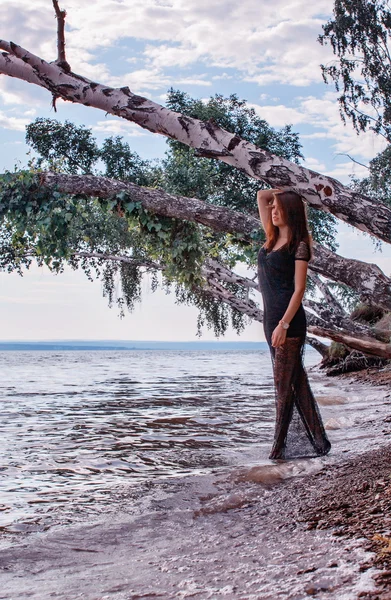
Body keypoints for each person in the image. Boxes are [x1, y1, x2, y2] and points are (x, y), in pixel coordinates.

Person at [257, 188, 331, 460]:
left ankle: (278, 450)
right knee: (296, 384)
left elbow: (299, 290)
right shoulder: (271, 238)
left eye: (278, 208)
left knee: (282, 388)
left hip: (287, 325)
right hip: (272, 324)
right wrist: (282, 192)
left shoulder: (298, 245)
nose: (273, 211)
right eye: (273, 208)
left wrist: (284, 324)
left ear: (290, 212)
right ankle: (319, 442)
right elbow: (261, 195)